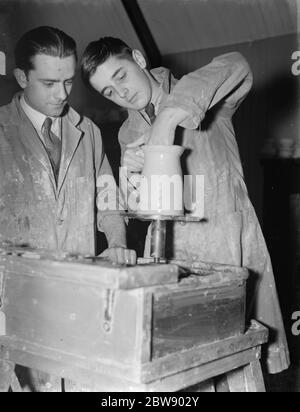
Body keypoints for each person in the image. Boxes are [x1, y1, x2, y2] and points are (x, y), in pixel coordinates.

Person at [81, 37, 290, 374]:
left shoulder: (204, 94)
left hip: (226, 248)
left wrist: (166, 122)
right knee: (184, 370)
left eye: (121, 76)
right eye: (108, 91)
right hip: (170, 256)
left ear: (138, 57)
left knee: (234, 365)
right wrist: (134, 176)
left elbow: (236, 63)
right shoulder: (126, 132)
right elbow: (139, 206)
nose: (121, 94)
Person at [0, 28, 136, 391]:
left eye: (68, 81)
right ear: (21, 77)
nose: (62, 94)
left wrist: (118, 242)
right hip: (14, 310)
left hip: (78, 305)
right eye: (48, 82)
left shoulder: (87, 132)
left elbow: (108, 200)